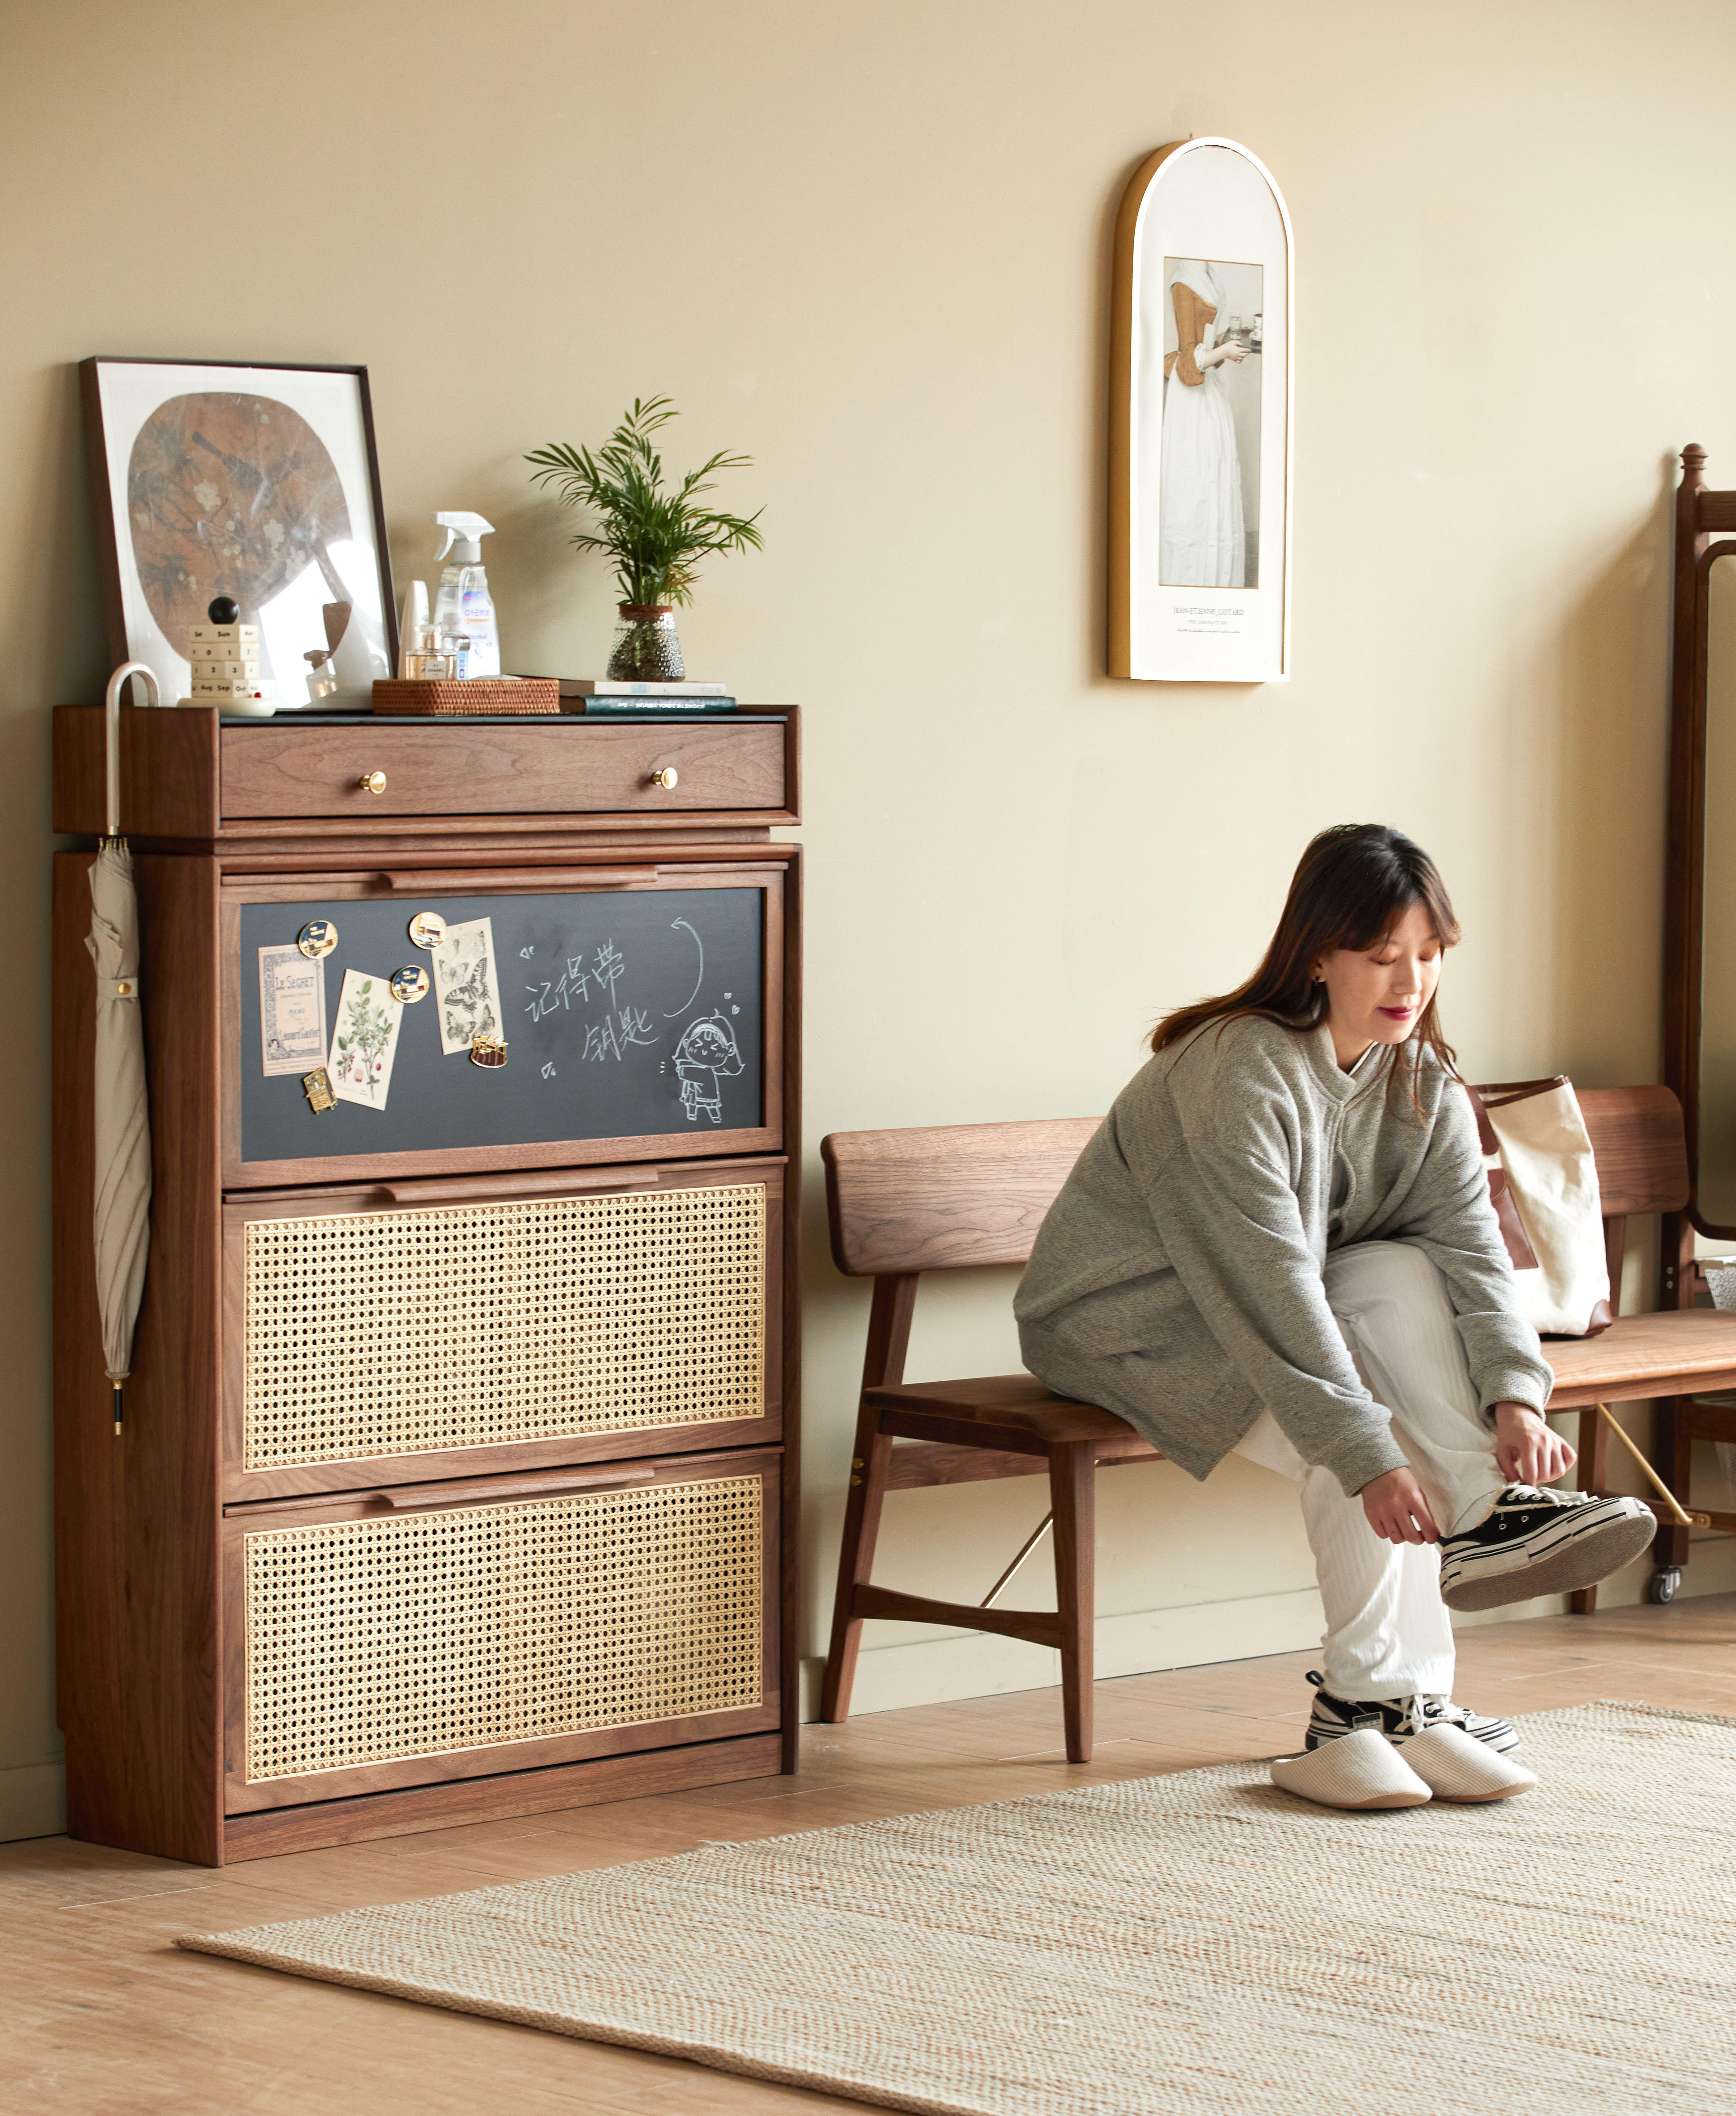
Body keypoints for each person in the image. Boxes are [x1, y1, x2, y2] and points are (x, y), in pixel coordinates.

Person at [1014, 824, 1656, 1810]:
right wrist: (1366, 1452)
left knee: (1402, 1269)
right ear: (1317, 954)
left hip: (1279, 1304)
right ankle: (1364, 1709)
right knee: (1351, 1448)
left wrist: (1516, 1398)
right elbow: (1262, 1282)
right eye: (1382, 955)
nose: (1411, 982)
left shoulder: (1420, 1079)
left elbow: (1472, 1254)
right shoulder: (1237, 1070)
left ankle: (1445, 1616)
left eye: (1430, 955)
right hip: (1132, 1323)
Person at [1159, 259, 1250, 588]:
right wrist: (1225, 350)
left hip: (1210, 398)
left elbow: (1207, 355)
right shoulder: (1185, 282)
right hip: (1191, 404)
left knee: (1216, 484)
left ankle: (1216, 580)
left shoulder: (1209, 273)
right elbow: (1189, 364)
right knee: (1194, 487)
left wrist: (1233, 342)